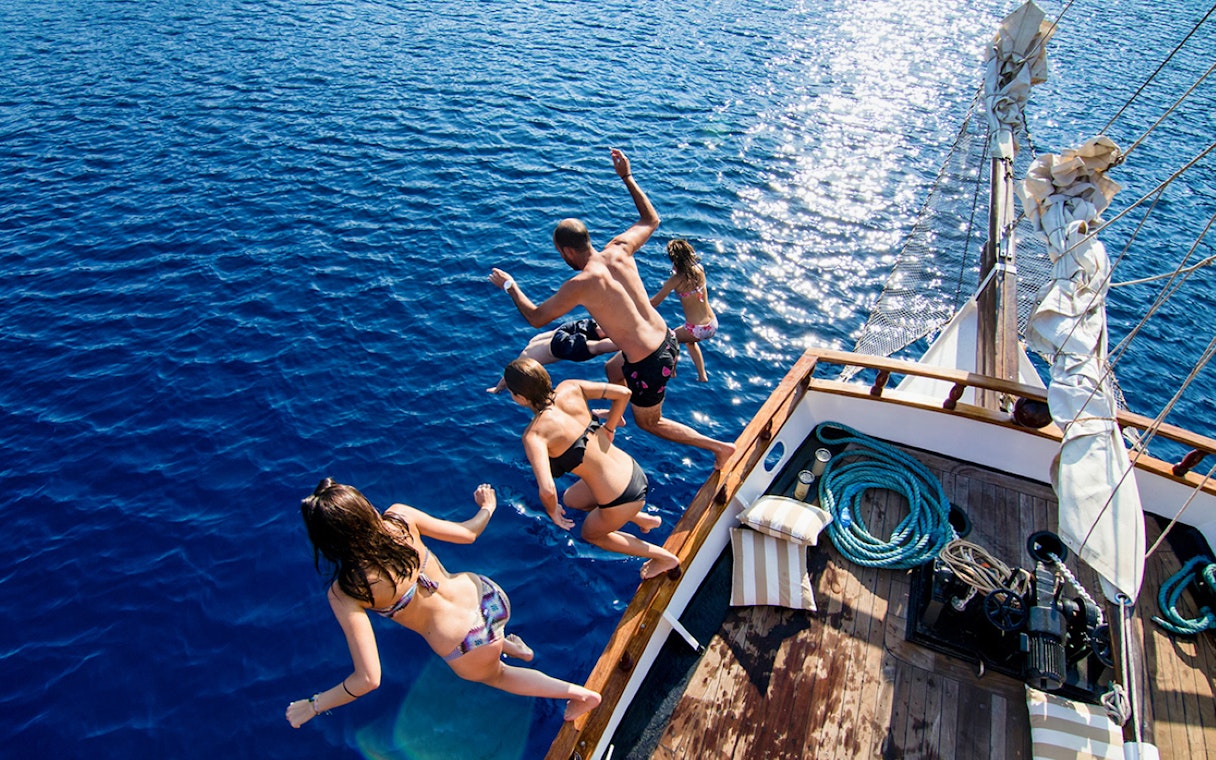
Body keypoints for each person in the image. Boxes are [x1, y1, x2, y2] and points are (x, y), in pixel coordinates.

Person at [489, 148, 735, 469]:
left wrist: (510, 286)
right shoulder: (620, 249)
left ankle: (718, 447)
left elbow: (536, 318)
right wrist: (627, 178)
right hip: (665, 337)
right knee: (613, 370)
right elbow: (651, 219)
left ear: (565, 250)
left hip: (651, 361)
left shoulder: (582, 284)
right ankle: (615, 417)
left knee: (649, 422)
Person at [285, 479, 601, 729]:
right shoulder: (400, 517)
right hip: (487, 596)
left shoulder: (346, 591)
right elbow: (468, 533)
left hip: (467, 643)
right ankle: (512, 645)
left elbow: (368, 679)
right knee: (491, 638)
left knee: (499, 676)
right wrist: (487, 508)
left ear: (328, 540)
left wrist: (313, 706)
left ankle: (580, 694)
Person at [503, 357, 681, 580]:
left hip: (622, 497)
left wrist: (553, 512)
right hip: (633, 470)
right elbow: (623, 394)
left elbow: (547, 490)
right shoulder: (570, 387)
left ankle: (664, 558)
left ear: (519, 398)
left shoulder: (535, 435)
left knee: (591, 535)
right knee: (571, 499)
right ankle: (643, 519)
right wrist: (610, 428)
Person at [487, 318, 618, 394]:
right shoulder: (532, 342)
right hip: (562, 330)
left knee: (595, 347)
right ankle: (624, 326)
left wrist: (497, 389)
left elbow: (508, 377)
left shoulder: (524, 359)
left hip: (558, 346)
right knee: (596, 330)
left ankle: (625, 343)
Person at [650, 239, 717, 383]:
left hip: (696, 330)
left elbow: (655, 302)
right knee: (690, 342)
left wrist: (637, 305)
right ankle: (702, 375)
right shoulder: (699, 269)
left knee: (671, 339)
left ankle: (672, 372)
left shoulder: (675, 280)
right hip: (711, 325)